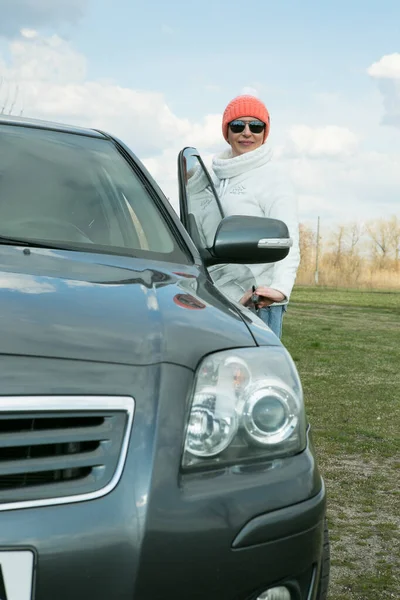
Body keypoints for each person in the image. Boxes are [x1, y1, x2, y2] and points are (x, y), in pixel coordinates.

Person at [188, 94, 300, 339]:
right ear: (226, 132)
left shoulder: (274, 178)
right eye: (238, 125)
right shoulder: (215, 177)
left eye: (256, 126)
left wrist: (278, 289)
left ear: (264, 132)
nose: (247, 132)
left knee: (256, 371)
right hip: (217, 293)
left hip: (256, 299)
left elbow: (287, 239)